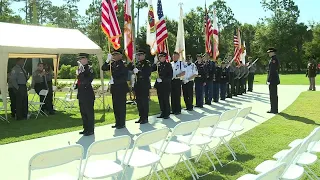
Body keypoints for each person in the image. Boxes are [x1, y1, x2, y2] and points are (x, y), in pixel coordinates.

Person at [102, 50, 129, 129]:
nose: (114, 56)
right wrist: (107, 60)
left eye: (116, 54)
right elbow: (103, 68)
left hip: (121, 88)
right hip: (114, 88)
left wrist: (115, 81)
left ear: (120, 56)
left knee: (121, 106)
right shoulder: (112, 64)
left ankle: (122, 123)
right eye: (113, 55)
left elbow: (124, 78)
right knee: (116, 106)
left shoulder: (123, 64)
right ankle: (117, 122)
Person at [75, 53, 95, 136]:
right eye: (80, 59)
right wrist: (76, 85)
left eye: (83, 59)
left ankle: (90, 129)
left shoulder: (89, 69)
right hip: (81, 93)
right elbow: (80, 81)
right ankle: (85, 128)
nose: (81, 60)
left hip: (88, 94)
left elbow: (88, 80)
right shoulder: (80, 69)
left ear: (86, 60)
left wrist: (82, 73)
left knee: (89, 112)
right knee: (83, 112)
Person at [131, 49, 152, 124]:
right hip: (138, 86)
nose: (139, 57)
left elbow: (148, 73)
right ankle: (141, 117)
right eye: (138, 55)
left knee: (144, 102)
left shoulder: (147, 63)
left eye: (140, 55)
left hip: (144, 85)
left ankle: (145, 118)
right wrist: (132, 60)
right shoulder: (137, 63)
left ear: (144, 55)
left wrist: (139, 72)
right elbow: (129, 68)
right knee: (139, 102)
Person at [153, 52, 173, 119]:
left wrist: (162, 80)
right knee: (160, 99)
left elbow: (170, 76)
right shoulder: (158, 64)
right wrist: (154, 63)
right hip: (159, 85)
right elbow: (152, 69)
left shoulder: (168, 65)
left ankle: (167, 113)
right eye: (159, 57)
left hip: (166, 85)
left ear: (165, 57)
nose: (160, 58)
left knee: (165, 99)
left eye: (162, 57)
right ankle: (162, 112)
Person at [266, 47, 280, 114]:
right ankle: (273, 108)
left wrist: (269, 80)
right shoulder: (273, 59)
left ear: (273, 52)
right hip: (273, 79)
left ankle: (274, 109)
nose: (269, 54)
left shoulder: (274, 60)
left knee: (273, 95)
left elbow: (272, 71)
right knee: (273, 95)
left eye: (270, 52)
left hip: (273, 79)